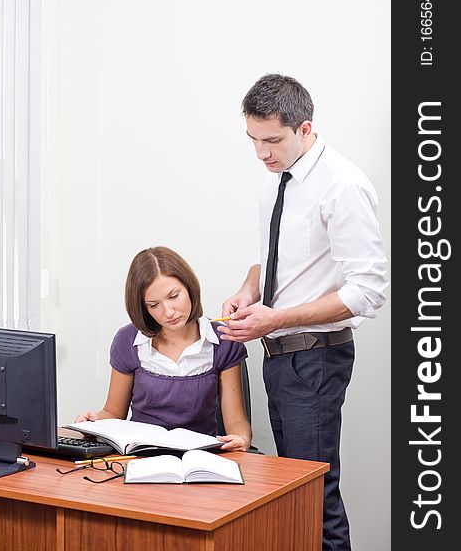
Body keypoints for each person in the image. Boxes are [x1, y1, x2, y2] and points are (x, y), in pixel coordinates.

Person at [218, 74, 389, 549]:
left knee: (314, 493)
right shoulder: (276, 182)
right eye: (253, 140)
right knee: (293, 491)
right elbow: (270, 257)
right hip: (280, 354)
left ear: (305, 128)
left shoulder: (343, 185)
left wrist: (278, 318)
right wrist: (249, 292)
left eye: (272, 140)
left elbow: (369, 290)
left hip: (314, 357)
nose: (261, 153)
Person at [76, 246, 251, 452]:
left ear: (189, 287)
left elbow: (236, 421)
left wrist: (241, 438)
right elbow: (113, 412)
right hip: (141, 456)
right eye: (153, 305)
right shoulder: (128, 341)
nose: (168, 312)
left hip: (200, 457)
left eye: (174, 296)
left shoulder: (224, 340)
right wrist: (94, 423)